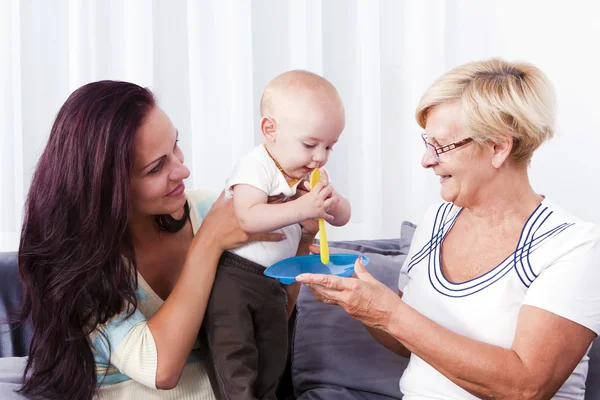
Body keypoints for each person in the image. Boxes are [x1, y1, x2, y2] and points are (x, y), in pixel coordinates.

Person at [296, 58, 600, 399]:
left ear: (498, 147)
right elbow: (408, 343)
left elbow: (526, 387)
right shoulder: (437, 220)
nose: (426, 159)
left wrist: (391, 314)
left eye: (441, 145)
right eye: (426, 142)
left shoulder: (572, 245)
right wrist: (360, 299)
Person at [16, 80, 317, 400]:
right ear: (109, 187)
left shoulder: (206, 209)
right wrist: (207, 244)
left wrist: (300, 240)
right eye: (156, 168)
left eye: (175, 145)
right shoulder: (78, 261)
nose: (182, 170)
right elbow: (161, 370)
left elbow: (265, 319)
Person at [204, 70, 351, 400]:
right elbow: (249, 216)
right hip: (234, 279)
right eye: (310, 144)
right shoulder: (255, 166)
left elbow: (342, 216)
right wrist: (304, 209)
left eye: (330, 147)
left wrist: (331, 201)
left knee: (273, 361)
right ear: (270, 129)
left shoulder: (307, 174)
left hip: (273, 280)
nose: (320, 156)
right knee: (235, 362)